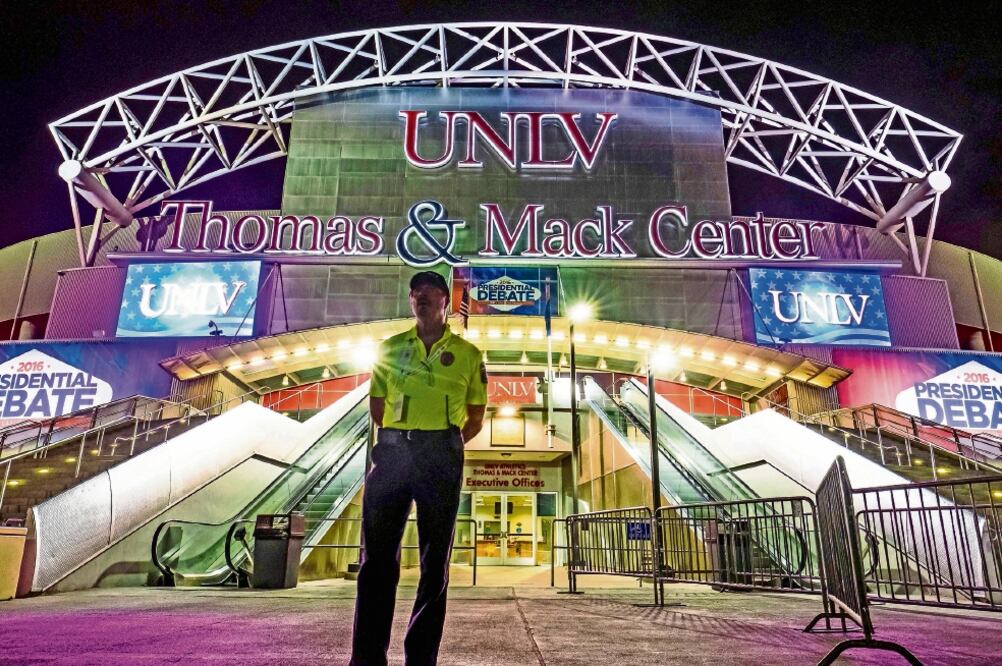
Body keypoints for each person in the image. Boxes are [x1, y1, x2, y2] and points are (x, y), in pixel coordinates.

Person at [350, 270, 487, 666]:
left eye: (428, 292)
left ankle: (421, 657)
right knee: (376, 560)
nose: (420, 297)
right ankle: (367, 657)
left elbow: (475, 417)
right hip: (393, 453)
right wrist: (403, 434)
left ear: (446, 300)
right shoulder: (389, 348)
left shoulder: (468, 355)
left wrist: (443, 444)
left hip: (440, 455)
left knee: (433, 562)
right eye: (414, 293)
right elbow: (378, 408)